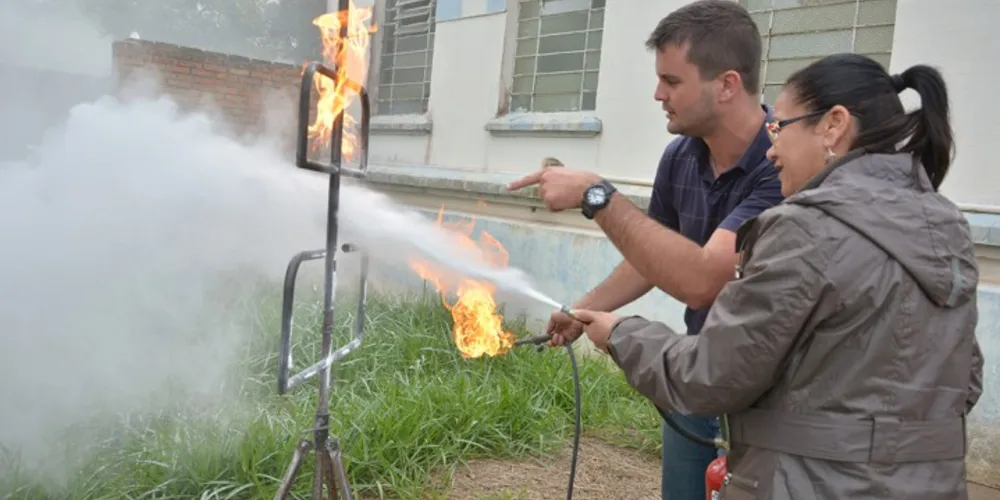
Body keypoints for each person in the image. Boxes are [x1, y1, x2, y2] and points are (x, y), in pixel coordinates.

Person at [570, 52, 985, 499]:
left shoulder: (806, 229)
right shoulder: (946, 226)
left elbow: (710, 378)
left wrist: (622, 334)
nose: (771, 148)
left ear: (833, 125)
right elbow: (966, 379)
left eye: (779, 127)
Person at [507, 2, 782, 499]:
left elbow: (702, 281)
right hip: (699, 366)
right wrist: (585, 308)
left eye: (672, 82)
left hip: (772, 393)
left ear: (726, 85)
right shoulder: (682, 155)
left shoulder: (781, 167)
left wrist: (597, 195)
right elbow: (651, 256)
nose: (658, 94)